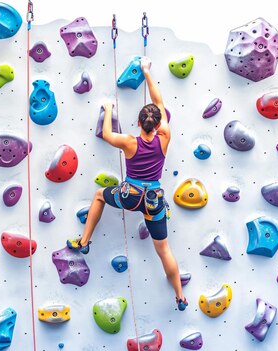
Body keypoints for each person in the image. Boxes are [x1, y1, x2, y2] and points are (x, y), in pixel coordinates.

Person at [67, 57, 188, 311]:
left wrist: (109, 108)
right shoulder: (164, 137)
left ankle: (84, 241)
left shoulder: (130, 142)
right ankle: (179, 295)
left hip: (129, 196)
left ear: (138, 123)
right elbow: (159, 102)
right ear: (158, 125)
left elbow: (108, 134)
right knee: (164, 249)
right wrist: (146, 71)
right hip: (153, 201)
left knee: (100, 194)